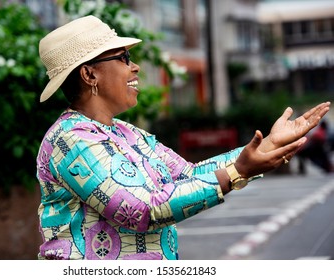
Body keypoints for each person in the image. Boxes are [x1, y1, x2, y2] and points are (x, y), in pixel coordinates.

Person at [36, 15, 330, 260]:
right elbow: (141, 210)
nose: (134, 66)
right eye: (124, 58)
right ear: (89, 75)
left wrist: (269, 144)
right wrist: (238, 172)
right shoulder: (71, 140)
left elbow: (188, 175)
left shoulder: (127, 133)